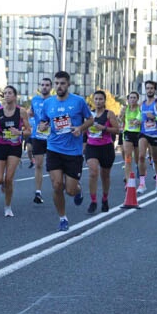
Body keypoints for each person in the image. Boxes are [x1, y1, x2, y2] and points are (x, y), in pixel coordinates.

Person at [33, 71, 93, 231]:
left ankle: (78, 190)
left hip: (73, 151)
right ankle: (62, 218)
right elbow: (43, 122)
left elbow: (90, 119)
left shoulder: (79, 101)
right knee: (57, 185)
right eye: (57, 83)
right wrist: (42, 126)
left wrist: (80, 128)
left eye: (62, 83)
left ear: (68, 84)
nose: (59, 86)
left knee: (70, 190)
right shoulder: (48, 103)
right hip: (54, 148)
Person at [0, 86, 29, 217]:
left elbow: (29, 131)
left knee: (9, 178)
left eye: (10, 93)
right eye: (5, 93)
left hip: (14, 147)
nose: (7, 95)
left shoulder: (21, 112)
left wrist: (20, 132)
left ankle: (7, 207)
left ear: (15, 96)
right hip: (0, 146)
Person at [84, 90, 119, 214]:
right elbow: (83, 130)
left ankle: (105, 198)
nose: (98, 101)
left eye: (101, 99)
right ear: (93, 101)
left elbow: (117, 130)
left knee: (105, 176)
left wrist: (104, 128)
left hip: (106, 148)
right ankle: (93, 201)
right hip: (92, 147)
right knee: (93, 172)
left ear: (104, 101)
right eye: (96, 99)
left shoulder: (109, 114)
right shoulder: (89, 115)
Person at [136, 80, 157, 193]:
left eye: (151, 88)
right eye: (147, 88)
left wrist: (154, 117)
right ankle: (142, 184)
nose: (149, 90)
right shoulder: (142, 104)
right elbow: (140, 117)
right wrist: (136, 121)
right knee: (141, 156)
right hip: (144, 133)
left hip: (155, 134)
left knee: (155, 159)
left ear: (155, 90)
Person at [28, 77, 53, 204]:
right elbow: (32, 112)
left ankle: (60, 186)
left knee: (53, 166)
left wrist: (48, 124)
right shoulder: (35, 99)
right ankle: (38, 192)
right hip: (38, 136)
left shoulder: (54, 100)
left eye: (47, 85)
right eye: (42, 85)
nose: (44, 87)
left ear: (51, 87)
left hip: (52, 137)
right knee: (38, 165)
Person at [119, 91, 141, 181]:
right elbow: (121, 120)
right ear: (128, 99)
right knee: (128, 156)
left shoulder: (140, 108)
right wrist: (121, 115)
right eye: (130, 98)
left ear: (137, 99)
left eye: (134, 98)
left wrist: (139, 120)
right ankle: (128, 177)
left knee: (137, 157)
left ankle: (138, 166)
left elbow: (142, 118)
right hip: (128, 133)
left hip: (138, 134)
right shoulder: (125, 109)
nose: (132, 99)